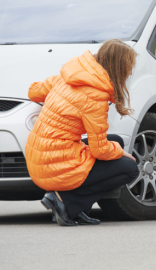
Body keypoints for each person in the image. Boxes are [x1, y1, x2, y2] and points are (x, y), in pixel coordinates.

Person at [25, 39, 140, 226]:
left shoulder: (70, 75)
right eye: (129, 67)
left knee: (116, 139)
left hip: (38, 155)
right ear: (118, 68)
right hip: (54, 164)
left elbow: (33, 92)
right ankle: (66, 202)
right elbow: (100, 150)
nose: (130, 72)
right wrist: (120, 151)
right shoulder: (96, 96)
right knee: (129, 168)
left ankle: (74, 208)